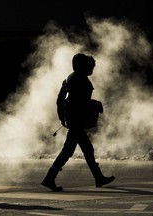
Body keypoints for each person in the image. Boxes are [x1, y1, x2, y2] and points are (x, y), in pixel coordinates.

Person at [41, 53, 115, 192]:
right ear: (83, 66)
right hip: (76, 121)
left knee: (86, 149)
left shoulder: (70, 79)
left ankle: (98, 178)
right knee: (68, 151)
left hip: (74, 120)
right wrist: (95, 104)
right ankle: (49, 178)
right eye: (90, 66)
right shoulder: (80, 80)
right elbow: (79, 102)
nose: (92, 69)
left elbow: (60, 100)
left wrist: (62, 117)